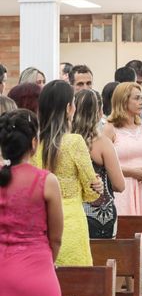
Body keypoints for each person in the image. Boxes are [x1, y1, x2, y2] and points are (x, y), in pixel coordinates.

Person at [0, 109, 64, 296]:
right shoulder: (46, 181)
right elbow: (56, 237)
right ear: (35, 143)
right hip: (38, 277)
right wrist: (43, 260)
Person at [32, 80, 102, 266]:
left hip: (40, 222)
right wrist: (96, 185)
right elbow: (91, 192)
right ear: (68, 108)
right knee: (76, 284)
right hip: (70, 223)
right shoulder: (74, 142)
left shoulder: (33, 144)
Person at [73, 90, 125, 238]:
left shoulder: (65, 141)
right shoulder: (103, 143)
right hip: (100, 214)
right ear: (99, 111)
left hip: (73, 212)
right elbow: (119, 185)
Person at [105, 82, 142, 216]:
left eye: (141, 98)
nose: (141, 102)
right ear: (123, 101)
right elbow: (103, 165)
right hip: (122, 189)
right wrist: (132, 172)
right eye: (136, 98)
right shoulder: (110, 129)